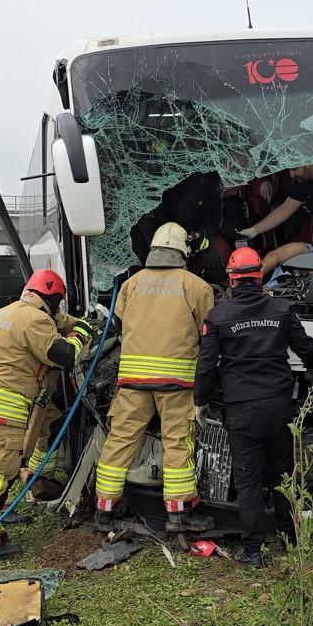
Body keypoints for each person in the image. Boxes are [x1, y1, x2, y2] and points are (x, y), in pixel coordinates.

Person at [195, 247, 313, 567]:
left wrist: (200, 401)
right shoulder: (282, 307)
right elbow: (307, 350)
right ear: (259, 276)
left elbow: (207, 366)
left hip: (241, 409)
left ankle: (252, 551)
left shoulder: (218, 315)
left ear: (232, 280)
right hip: (279, 406)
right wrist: (309, 374)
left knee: (248, 480)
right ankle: (290, 538)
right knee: (282, 474)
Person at [0, 269, 93, 559]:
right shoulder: (35, 321)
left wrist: (69, 320)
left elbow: (53, 322)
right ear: (54, 299)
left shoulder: (4, 314)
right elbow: (64, 355)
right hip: (0, 412)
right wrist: (82, 332)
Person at [95, 222, 215, 533]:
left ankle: (104, 511)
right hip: (177, 385)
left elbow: (119, 326)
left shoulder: (131, 284)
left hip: (132, 382)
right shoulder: (197, 286)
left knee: (119, 442)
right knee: (177, 444)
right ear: (183, 251)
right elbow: (209, 332)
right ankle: (178, 514)